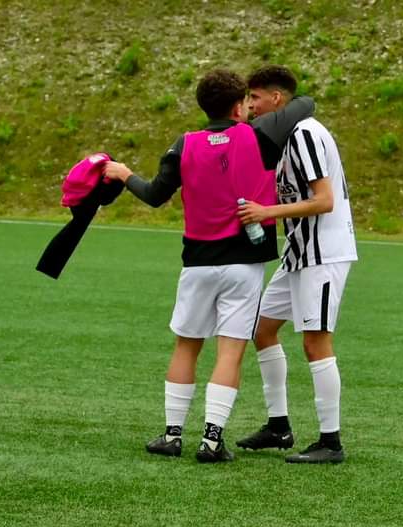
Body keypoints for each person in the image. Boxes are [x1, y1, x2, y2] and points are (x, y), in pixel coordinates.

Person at [103, 69, 314, 462]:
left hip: (197, 262)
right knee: (229, 351)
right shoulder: (259, 135)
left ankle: (172, 435)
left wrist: (124, 174)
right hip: (244, 265)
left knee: (187, 346)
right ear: (238, 107)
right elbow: (305, 104)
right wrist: (264, 110)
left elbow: (154, 195)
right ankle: (212, 441)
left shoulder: (184, 144)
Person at [234, 65, 357, 465]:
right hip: (299, 253)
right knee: (262, 328)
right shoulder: (284, 136)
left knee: (315, 341)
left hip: (323, 253)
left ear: (277, 98)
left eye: (255, 97)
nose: (251, 105)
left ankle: (331, 441)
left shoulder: (305, 133)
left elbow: (324, 200)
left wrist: (266, 211)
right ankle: (279, 426)